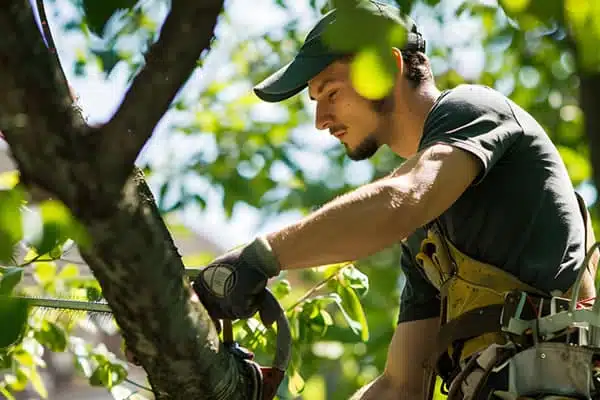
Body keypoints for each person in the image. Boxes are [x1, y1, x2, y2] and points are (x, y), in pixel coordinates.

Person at [192, 1, 599, 399]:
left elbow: (404, 197)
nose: (320, 121)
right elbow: (399, 386)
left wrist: (262, 256)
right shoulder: (426, 239)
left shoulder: (472, 109)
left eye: (330, 93)